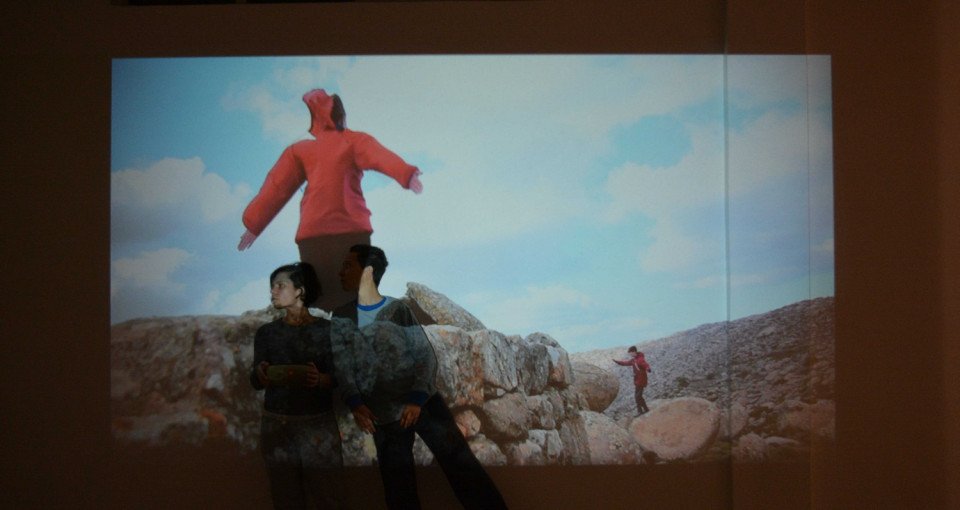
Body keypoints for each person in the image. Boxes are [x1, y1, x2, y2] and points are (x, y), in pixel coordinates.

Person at [330, 244, 508, 510]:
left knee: (463, 469)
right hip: (383, 414)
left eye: (348, 266)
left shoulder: (397, 310)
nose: (340, 272)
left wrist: (416, 400)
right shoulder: (341, 317)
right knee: (398, 489)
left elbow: (424, 356)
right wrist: (355, 403)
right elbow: (342, 364)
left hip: (424, 405)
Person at [238, 89, 423, 312]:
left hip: (315, 235)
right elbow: (379, 156)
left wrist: (254, 224)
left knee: (320, 298)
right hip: (350, 231)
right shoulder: (353, 141)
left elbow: (276, 187)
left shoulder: (301, 150)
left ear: (315, 118)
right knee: (353, 296)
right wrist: (407, 174)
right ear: (340, 115)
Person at [250, 262, 344, 509]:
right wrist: (260, 373)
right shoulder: (266, 333)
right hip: (276, 425)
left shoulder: (327, 330)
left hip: (318, 425)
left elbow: (341, 376)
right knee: (285, 497)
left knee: (328, 496)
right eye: (272, 287)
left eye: (280, 285)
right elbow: (255, 380)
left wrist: (320, 379)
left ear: (300, 290)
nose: (273, 292)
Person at [613, 346, 652, 415]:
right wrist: (617, 362)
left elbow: (645, 364)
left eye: (630, 353)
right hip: (637, 381)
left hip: (641, 380)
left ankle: (640, 411)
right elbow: (625, 363)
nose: (630, 354)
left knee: (637, 396)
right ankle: (645, 409)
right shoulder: (634, 360)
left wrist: (648, 368)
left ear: (634, 351)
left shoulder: (640, 359)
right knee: (638, 396)